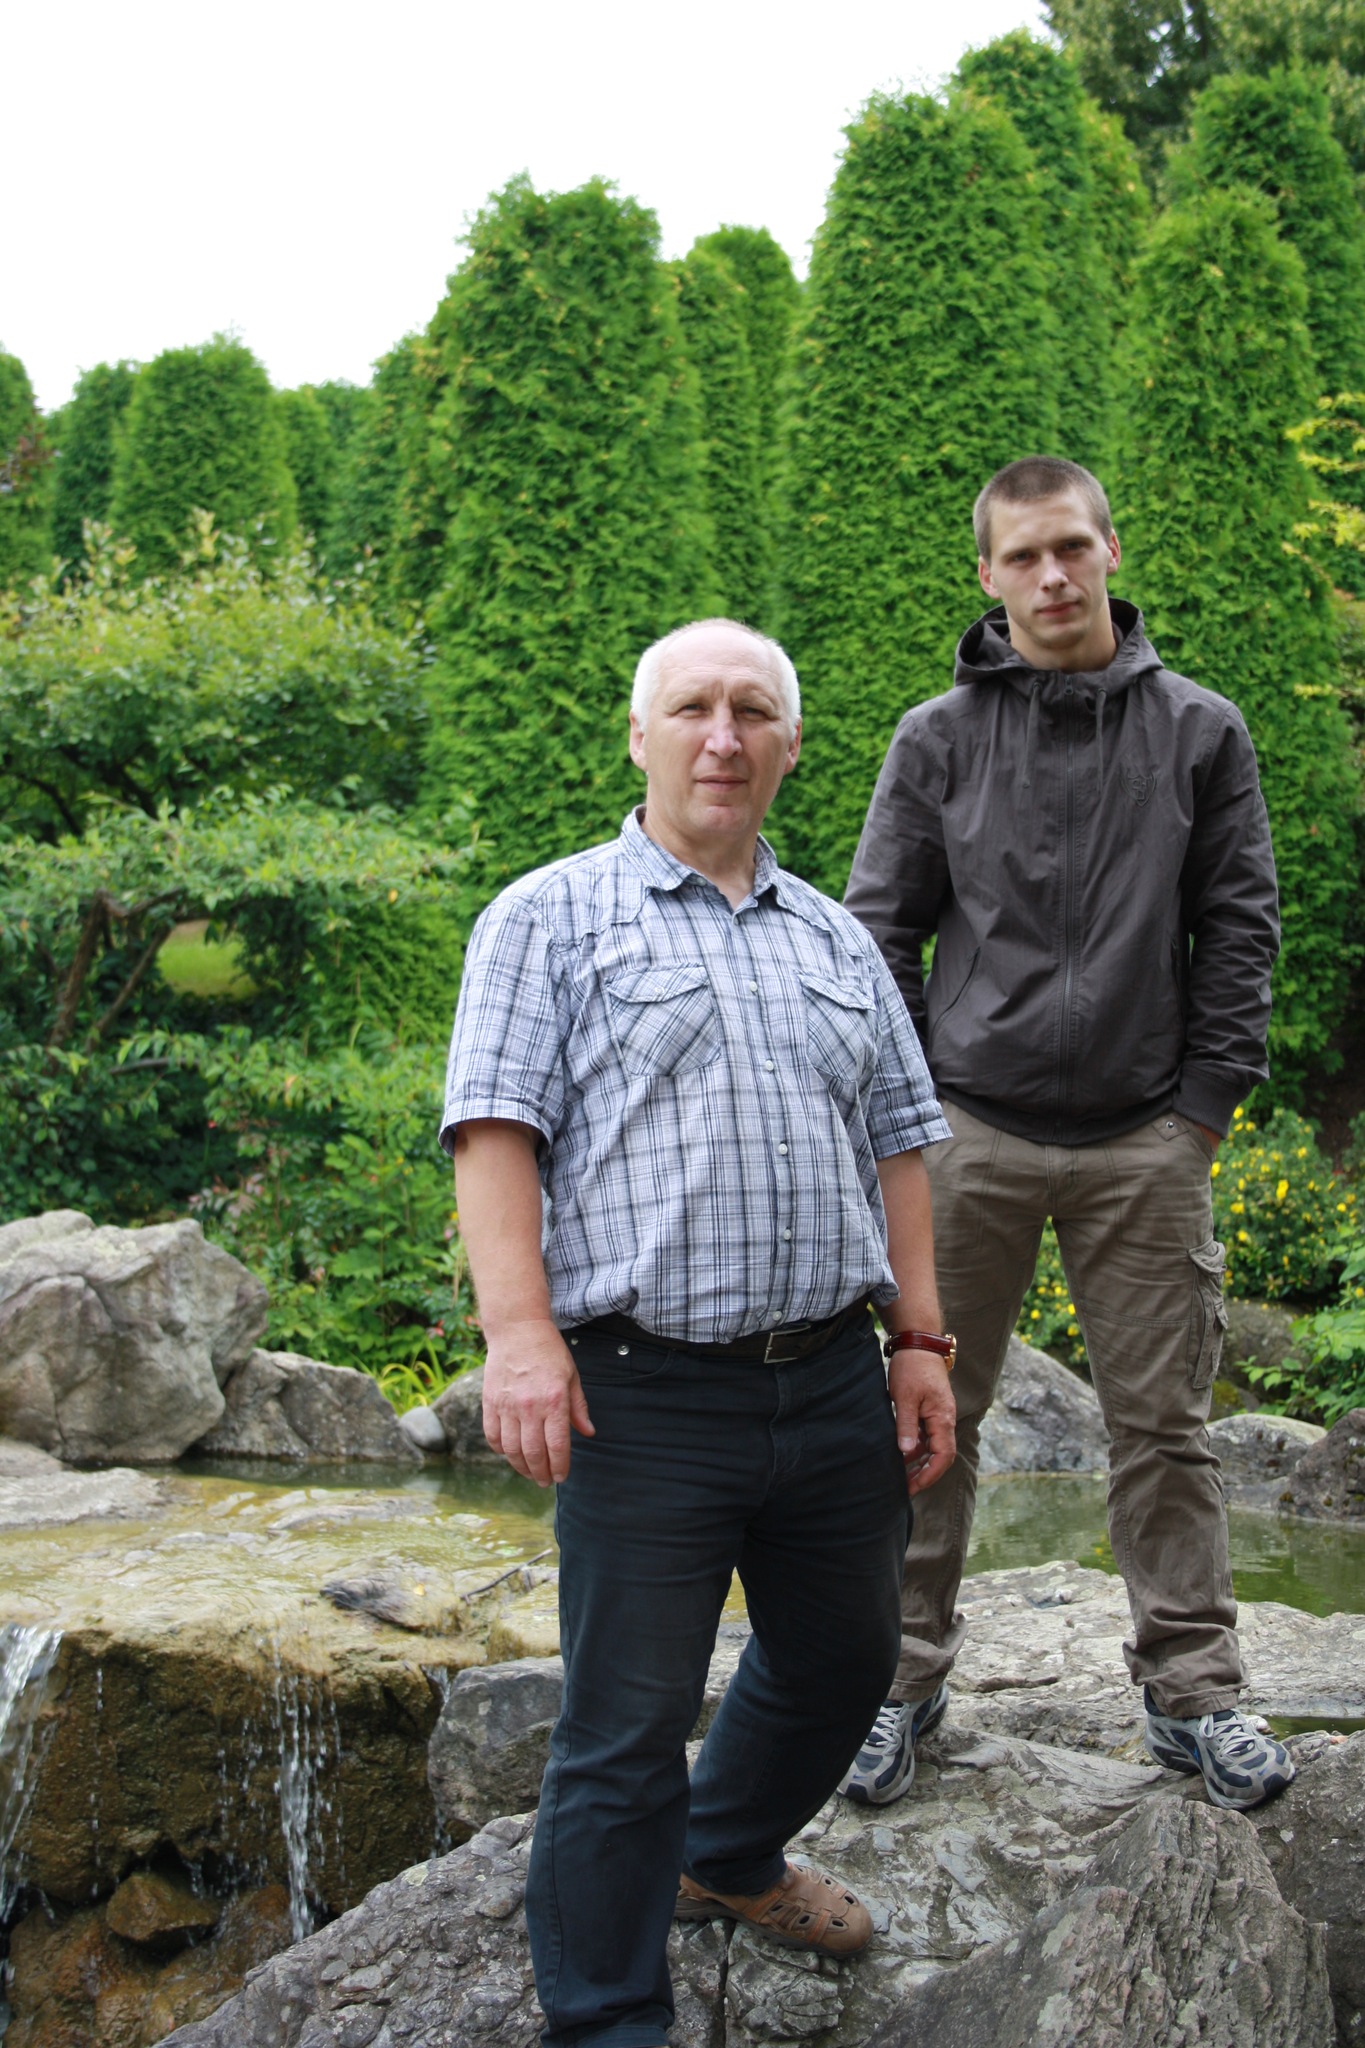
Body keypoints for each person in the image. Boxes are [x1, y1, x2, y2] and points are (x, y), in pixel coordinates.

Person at [440, 618, 957, 2048]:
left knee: (848, 1660)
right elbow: (493, 1132)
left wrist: (920, 1344)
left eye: (750, 712)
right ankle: (609, 2019)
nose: (721, 737)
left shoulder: (838, 942)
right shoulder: (546, 917)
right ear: (639, 735)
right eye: (690, 709)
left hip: (831, 1381)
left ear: (789, 745)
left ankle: (723, 1852)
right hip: (642, 1389)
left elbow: (900, 1145)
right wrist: (518, 1335)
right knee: (625, 1727)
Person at [840, 456, 1295, 1816]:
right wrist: (910, 1117)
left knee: (1166, 1429)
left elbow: (1240, 926)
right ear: (987, 576)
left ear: (1108, 551)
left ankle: (1192, 1692)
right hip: (966, 1134)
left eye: (1071, 549)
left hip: (1145, 1138)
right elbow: (877, 932)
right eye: (1023, 557)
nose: (1051, 576)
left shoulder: (1200, 732)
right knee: (926, 1416)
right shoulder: (935, 739)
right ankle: (896, 1682)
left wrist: (1201, 1114)